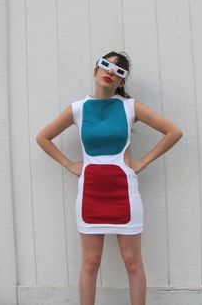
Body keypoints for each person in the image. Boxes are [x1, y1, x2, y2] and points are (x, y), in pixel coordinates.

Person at [36, 51, 183, 305]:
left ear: (122, 81)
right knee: (91, 263)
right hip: (90, 194)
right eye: (106, 66)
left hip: (125, 193)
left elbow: (173, 132)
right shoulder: (77, 109)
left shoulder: (130, 107)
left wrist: (143, 162)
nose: (110, 72)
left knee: (132, 261)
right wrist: (68, 163)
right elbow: (43, 137)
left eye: (118, 71)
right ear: (95, 71)